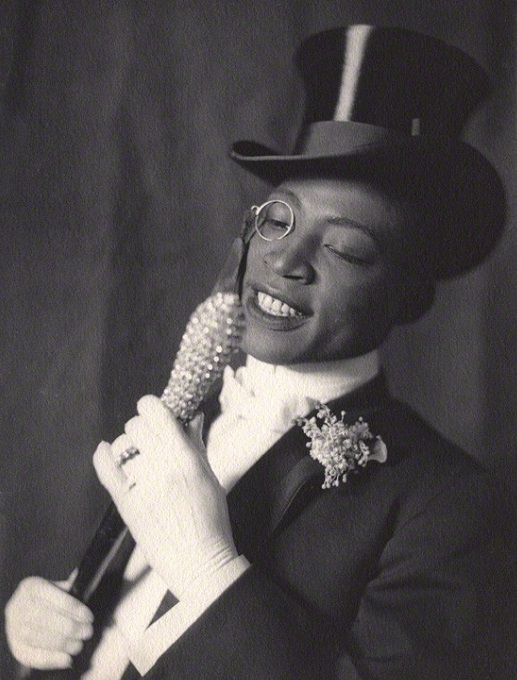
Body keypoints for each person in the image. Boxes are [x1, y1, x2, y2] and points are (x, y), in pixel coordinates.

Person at [5, 25, 516, 680]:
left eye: (344, 248)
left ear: (408, 299)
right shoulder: (192, 413)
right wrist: (48, 629)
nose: (285, 260)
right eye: (278, 219)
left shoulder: (450, 508)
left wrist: (206, 567)